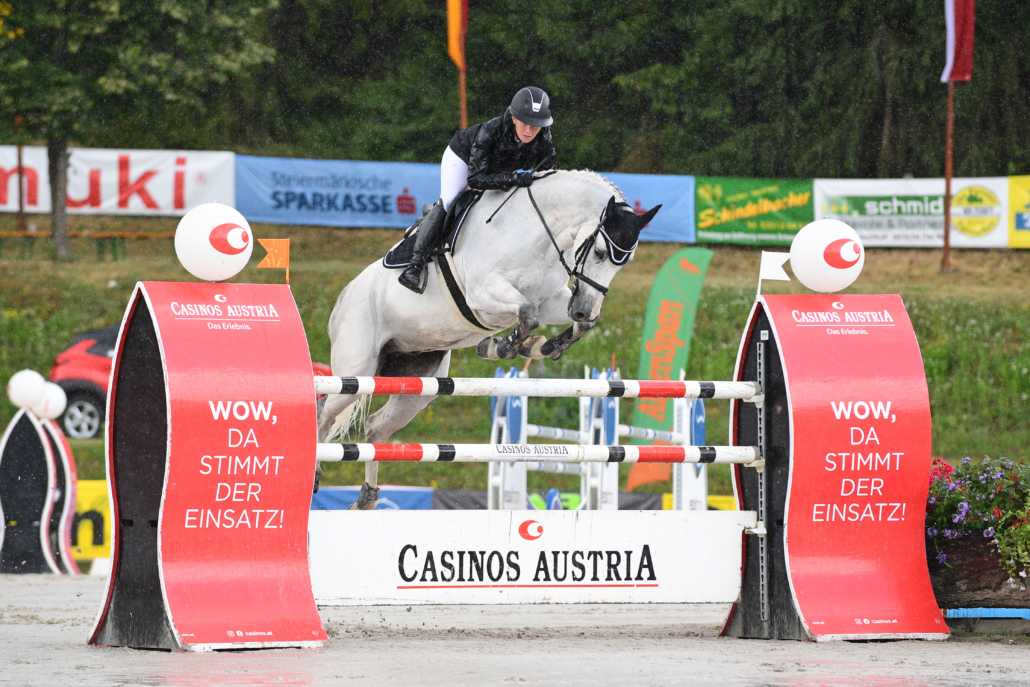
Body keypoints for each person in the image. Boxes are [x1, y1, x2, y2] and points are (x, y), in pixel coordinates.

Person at [398, 86, 557, 293]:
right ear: (514, 118)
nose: (530, 131)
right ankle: (415, 264)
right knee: (449, 200)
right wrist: (513, 177)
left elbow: (549, 175)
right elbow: (476, 179)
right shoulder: (490, 131)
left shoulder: (544, 136)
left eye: (536, 126)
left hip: (493, 169)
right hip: (463, 158)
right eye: (526, 124)